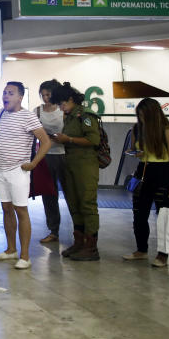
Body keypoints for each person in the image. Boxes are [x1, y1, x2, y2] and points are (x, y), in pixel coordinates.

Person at [0, 82, 52, 269]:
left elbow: (46, 142)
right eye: (4, 93)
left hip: (18, 170)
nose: (6, 96)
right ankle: (11, 250)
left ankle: (25, 256)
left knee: (21, 211)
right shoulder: (1, 114)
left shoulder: (28, 117)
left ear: (20, 97)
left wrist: (33, 163)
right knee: (6, 209)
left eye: (10, 93)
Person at [122, 98, 169, 268]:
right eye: (139, 115)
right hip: (143, 172)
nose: (141, 119)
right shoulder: (137, 129)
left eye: (144, 115)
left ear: (153, 114)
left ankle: (163, 255)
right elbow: (137, 150)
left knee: (163, 217)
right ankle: (141, 250)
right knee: (139, 215)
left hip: (163, 173)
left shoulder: (168, 132)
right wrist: (135, 153)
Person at [50, 82, 102, 261]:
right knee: (74, 204)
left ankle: (91, 247)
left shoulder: (85, 116)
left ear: (71, 99)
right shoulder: (70, 116)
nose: (60, 107)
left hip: (85, 165)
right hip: (70, 164)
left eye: (62, 104)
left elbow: (94, 140)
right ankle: (79, 242)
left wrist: (69, 139)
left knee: (87, 204)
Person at [35, 79, 66, 244]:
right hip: (46, 156)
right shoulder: (37, 111)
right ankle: (53, 230)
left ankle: (80, 232)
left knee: (71, 193)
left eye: (48, 94)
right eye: (43, 94)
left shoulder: (64, 110)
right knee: (49, 195)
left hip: (65, 154)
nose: (45, 98)